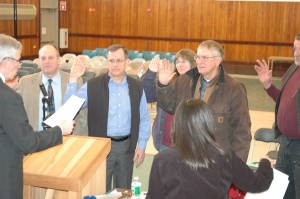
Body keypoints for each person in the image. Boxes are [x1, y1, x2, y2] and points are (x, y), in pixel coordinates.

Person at [64, 44, 151, 191]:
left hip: (126, 147)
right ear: (107, 62)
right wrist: (73, 79)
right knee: (100, 190)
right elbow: (70, 109)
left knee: (123, 191)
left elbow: (144, 118)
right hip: (100, 146)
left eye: (119, 60)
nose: (115, 64)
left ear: (127, 62)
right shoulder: (92, 85)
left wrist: (141, 146)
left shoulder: (137, 87)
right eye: (111, 61)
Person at [146, 99, 273, 198]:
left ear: (177, 124)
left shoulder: (162, 159)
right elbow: (257, 184)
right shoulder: (225, 156)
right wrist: (265, 163)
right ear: (208, 122)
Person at [0, 34, 74, 198]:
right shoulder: (8, 97)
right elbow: (27, 142)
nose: (19, 66)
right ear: (6, 61)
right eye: (18, 61)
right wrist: (59, 130)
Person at [156, 40, 251, 162]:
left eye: (205, 58)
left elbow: (242, 131)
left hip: (216, 160)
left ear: (218, 60)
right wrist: (163, 85)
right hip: (185, 155)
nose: (199, 61)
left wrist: (237, 166)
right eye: (198, 57)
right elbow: (169, 107)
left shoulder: (234, 88)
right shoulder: (184, 80)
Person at [254, 33, 300, 199]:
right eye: (295, 48)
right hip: (285, 143)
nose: (296, 53)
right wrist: (268, 85)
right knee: (280, 192)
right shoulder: (294, 68)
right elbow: (285, 102)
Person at [15, 44, 88, 135]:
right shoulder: (25, 82)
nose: (46, 61)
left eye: (50, 58)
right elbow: (13, 109)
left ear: (59, 60)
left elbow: (82, 114)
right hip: (37, 139)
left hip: (66, 138)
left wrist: (84, 137)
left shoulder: (74, 80)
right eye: (43, 58)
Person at [141, 49, 196, 151]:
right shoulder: (168, 79)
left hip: (187, 145)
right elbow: (146, 95)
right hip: (164, 142)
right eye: (177, 62)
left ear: (193, 62)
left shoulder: (199, 84)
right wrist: (151, 72)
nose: (180, 64)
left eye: (184, 61)